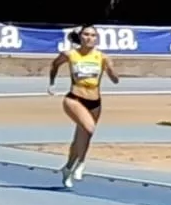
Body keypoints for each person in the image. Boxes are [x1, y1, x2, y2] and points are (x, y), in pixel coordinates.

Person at [46, 26, 118, 188]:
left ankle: (68, 167)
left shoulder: (102, 57)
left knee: (82, 137)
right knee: (89, 128)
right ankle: (82, 163)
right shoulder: (70, 54)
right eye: (86, 34)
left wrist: (111, 71)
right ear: (80, 36)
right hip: (74, 99)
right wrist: (52, 83)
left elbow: (115, 80)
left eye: (93, 35)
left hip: (95, 102)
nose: (89, 38)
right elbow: (54, 65)